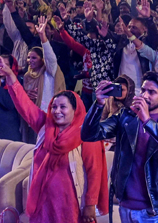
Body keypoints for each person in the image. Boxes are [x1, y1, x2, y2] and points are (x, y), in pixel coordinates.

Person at [1, 58, 108, 223]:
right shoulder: (46, 127)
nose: (57, 111)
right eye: (54, 106)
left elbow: (95, 171)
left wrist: (90, 205)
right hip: (43, 203)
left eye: (63, 107)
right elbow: (24, 104)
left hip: (70, 206)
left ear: (75, 109)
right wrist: (9, 74)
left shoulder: (86, 134)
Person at [81, 72, 158, 223]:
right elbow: (88, 135)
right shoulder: (126, 116)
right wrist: (98, 105)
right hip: (126, 206)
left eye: (151, 92)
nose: (145, 95)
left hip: (155, 209)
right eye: (143, 90)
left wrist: (147, 120)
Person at [0, 54, 22, 141]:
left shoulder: (16, 81)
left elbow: (9, 104)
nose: (1, 67)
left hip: (8, 130)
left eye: (6, 64)